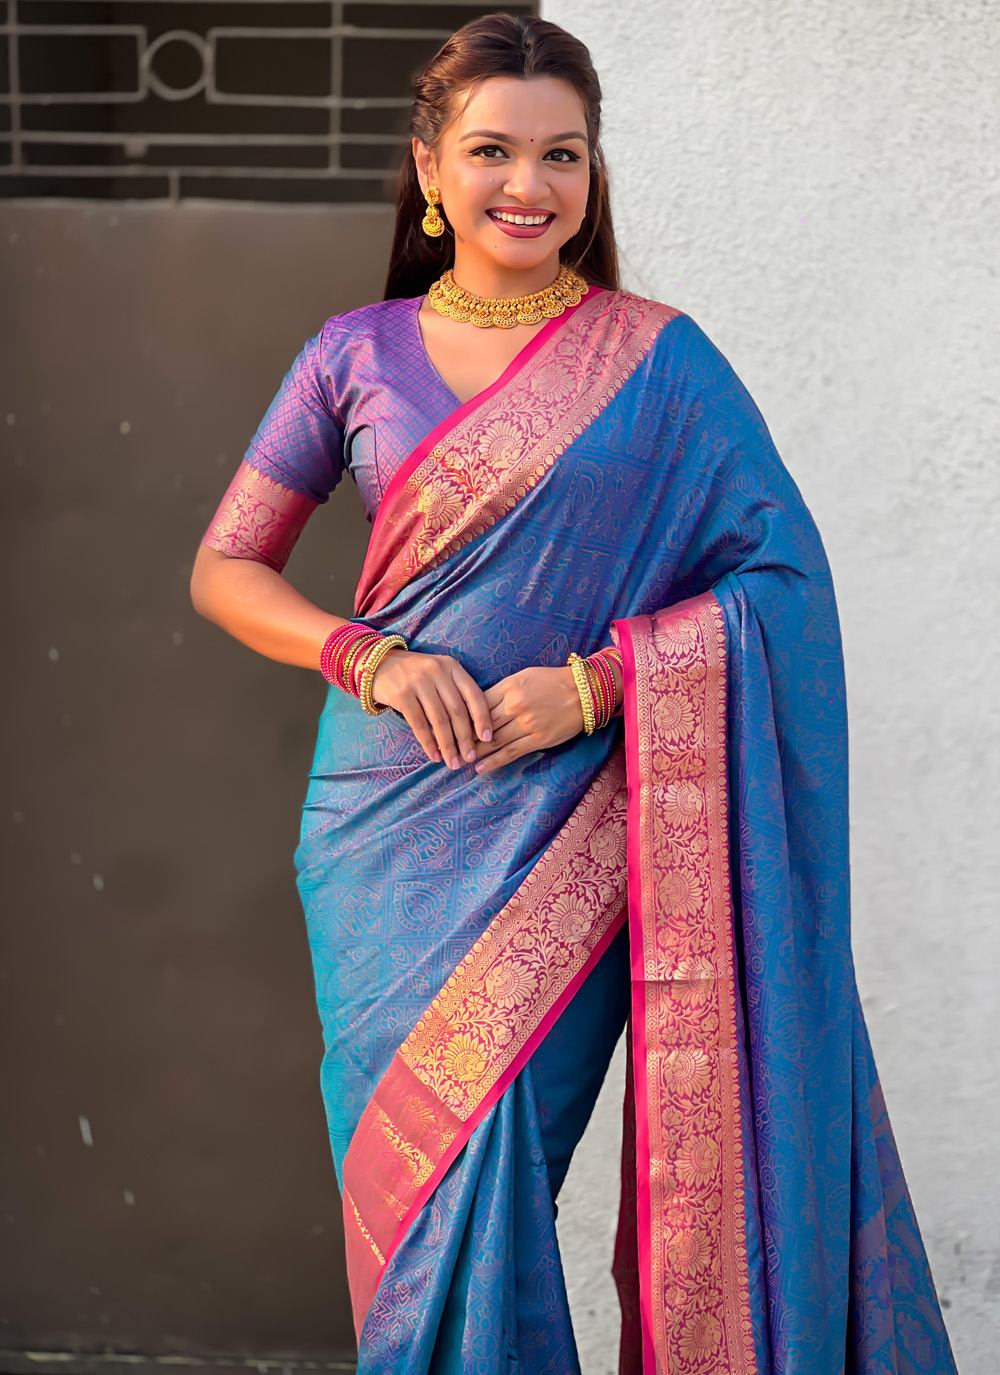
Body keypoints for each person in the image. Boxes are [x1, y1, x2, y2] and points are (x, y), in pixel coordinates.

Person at [190, 13, 956, 1375]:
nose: (528, 184)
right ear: (430, 167)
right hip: (384, 835)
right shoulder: (351, 355)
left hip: (577, 827)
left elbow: (783, 583)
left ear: (594, 172)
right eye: (492, 150)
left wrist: (602, 685)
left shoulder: (662, 361)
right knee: (410, 1203)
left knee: (497, 1169)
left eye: (563, 154)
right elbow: (225, 567)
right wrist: (369, 655)